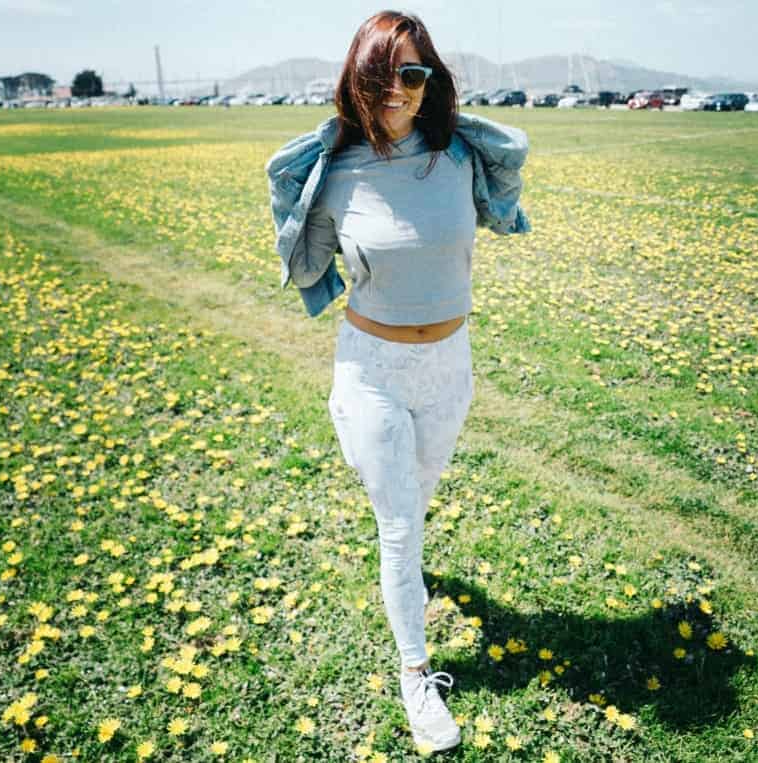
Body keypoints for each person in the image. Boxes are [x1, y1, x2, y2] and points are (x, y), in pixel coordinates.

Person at [265, 10, 530, 752]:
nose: (399, 91)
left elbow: (508, 175)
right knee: (400, 521)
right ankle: (417, 677)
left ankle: (411, 574)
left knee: (418, 496)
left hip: (451, 366)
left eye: (414, 75)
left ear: (431, 81)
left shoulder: (458, 158)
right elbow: (310, 269)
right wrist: (297, 203)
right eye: (384, 75)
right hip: (371, 369)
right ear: (357, 79)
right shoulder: (337, 171)